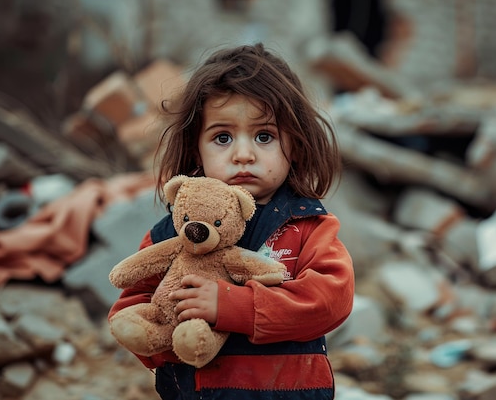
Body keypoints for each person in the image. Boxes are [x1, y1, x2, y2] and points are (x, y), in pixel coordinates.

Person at [108, 43, 355, 400]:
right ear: (197, 149)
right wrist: (175, 338)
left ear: (296, 145)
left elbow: (330, 300)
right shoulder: (172, 235)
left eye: (264, 136)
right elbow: (130, 312)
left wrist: (231, 306)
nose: (243, 154)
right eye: (222, 137)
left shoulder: (307, 226)